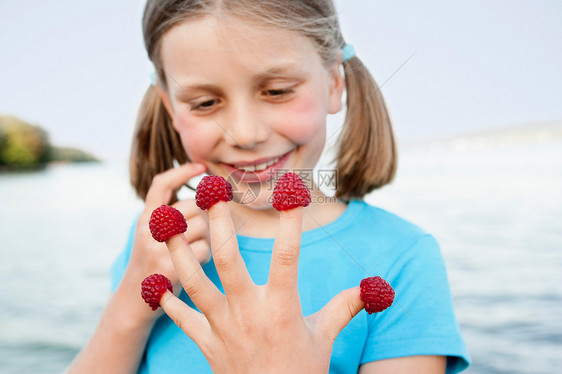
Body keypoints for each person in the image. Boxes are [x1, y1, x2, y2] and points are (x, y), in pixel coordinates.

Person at [67, 0, 470, 372]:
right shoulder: (157, 249)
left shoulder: (403, 256)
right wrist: (128, 307)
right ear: (171, 107)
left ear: (333, 83)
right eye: (205, 103)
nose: (245, 133)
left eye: (277, 92)